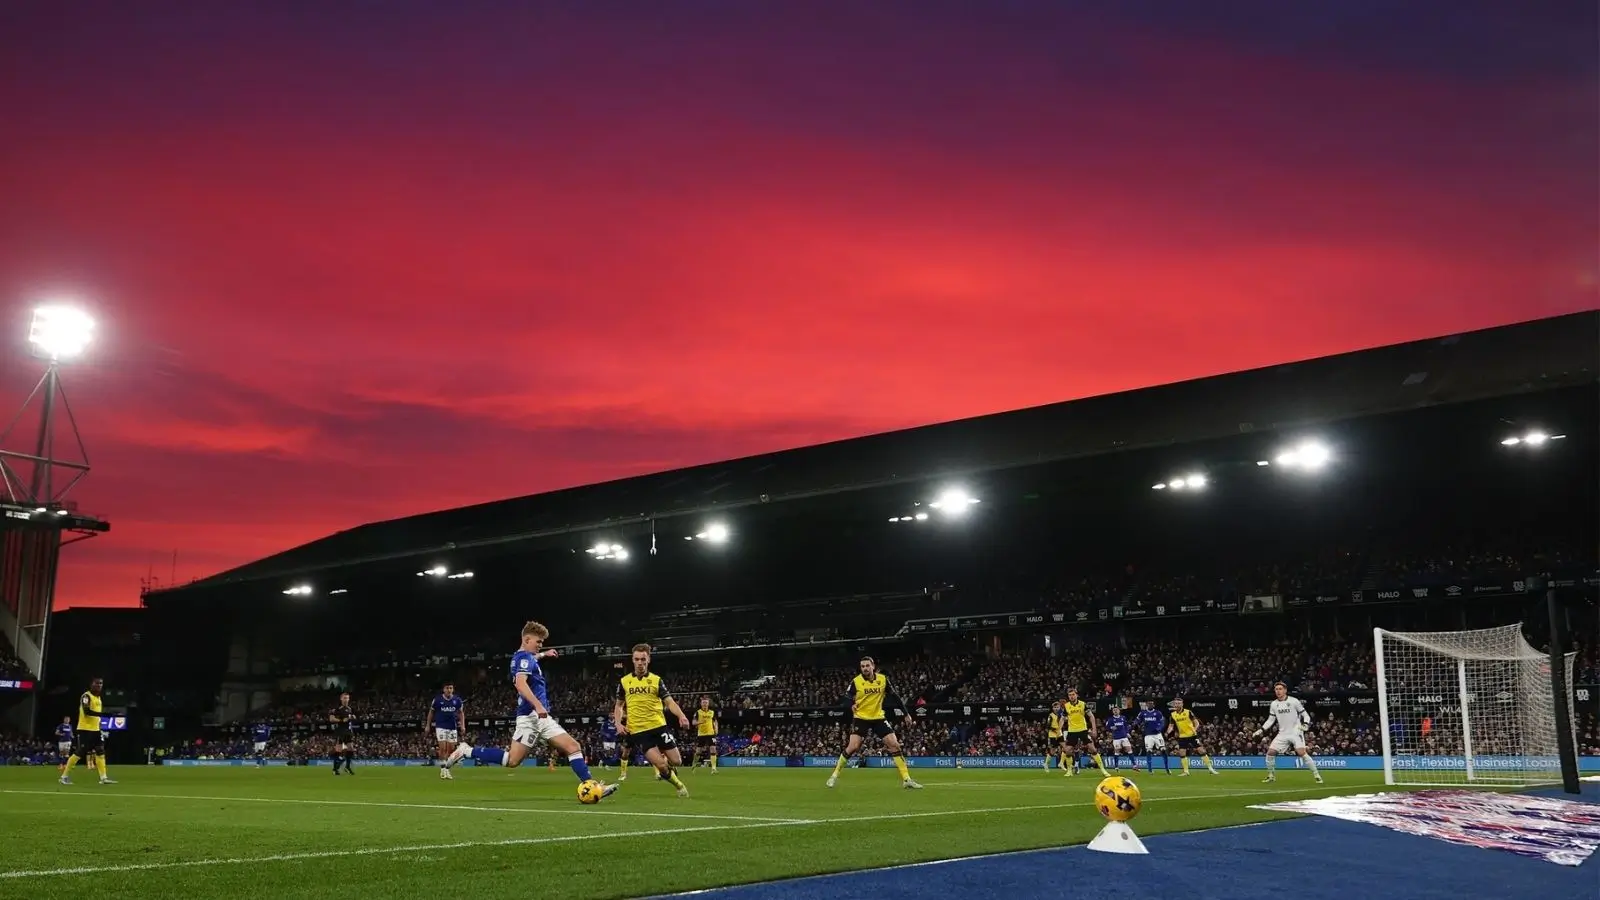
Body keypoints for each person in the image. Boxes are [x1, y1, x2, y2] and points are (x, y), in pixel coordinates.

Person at [447, 622, 617, 799]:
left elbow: (531, 661)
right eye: (539, 642)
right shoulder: (525, 659)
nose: (540, 645)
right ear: (527, 639)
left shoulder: (521, 657)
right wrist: (538, 705)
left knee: (572, 747)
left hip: (536, 717)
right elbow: (520, 683)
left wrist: (544, 654)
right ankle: (466, 751)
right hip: (531, 716)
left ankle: (592, 786)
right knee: (513, 760)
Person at [827, 656, 922, 790]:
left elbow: (895, 697)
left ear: (873, 666)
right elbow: (846, 698)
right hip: (861, 718)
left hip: (878, 718)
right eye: (862, 666)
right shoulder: (856, 681)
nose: (865, 668)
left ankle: (907, 779)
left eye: (867, 666)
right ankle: (834, 775)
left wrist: (906, 714)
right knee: (853, 746)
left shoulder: (882, 680)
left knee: (895, 745)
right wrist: (851, 705)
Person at [612, 643, 692, 797]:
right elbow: (618, 705)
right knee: (661, 765)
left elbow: (669, 702)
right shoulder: (624, 681)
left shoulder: (656, 680)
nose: (640, 663)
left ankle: (671, 770)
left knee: (677, 761)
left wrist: (681, 715)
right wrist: (618, 723)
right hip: (639, 731)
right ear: (632, 660)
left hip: (659, 726)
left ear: (648, 660)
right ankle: (679, 786)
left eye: (643, 659)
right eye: (637, 659)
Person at [1254, 682, 1323, 784]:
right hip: (1282, 733)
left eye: (1280, 689)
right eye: (1276, 689)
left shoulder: (1294, 701)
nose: (1278, 691)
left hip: (1295, 731)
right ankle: (1271, 776)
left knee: (1301, 753)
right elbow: (1270, 720)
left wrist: (1305, 724)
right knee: (1270, 753)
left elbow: (1306, 715)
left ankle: (1317, 775)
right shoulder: (1274, 704)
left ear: (1285, 690)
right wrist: (1261, 730)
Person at [59, 677, 115, 785]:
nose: (99, 685)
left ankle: (103, 778)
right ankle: (64, 777)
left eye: (101, 683)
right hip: (85, 729)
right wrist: (103, 715)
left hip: (96, 730)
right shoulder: (86, 696)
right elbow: (87, 711)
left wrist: (99, 722)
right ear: (91, 684)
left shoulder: (98, 698)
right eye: (97, 683)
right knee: (80, 752)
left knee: (100, 751)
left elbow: (96, 715)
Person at [1165, 698, 1218, 776]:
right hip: (1182, 736)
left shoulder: (1188, 712)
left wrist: (1195, 729)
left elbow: (1196, 723)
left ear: (1182, 704)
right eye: (1176, 703)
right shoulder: (1173, 715)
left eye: (1179, 703)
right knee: (1182, 753)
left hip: (1192, 735)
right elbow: (1171, 726)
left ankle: (1211, 769)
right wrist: (1167, 732)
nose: (1177, 705)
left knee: (1201, 751)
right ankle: (1186, 772)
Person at [425, 682, 465, 780]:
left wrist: (463, 725)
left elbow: (461, 713)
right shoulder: (438, 700)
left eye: (451, 688)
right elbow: (431, 712)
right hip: (441, 726)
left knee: (451, 749)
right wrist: (427, 725)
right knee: (442, 748)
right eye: (447, 688)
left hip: (452, 727)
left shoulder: (457, 700)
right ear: (443, 689)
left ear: (453, 689)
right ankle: (443, 770)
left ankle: (447, 767)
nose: (449, 690)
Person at [1061, 688, 1104, 776]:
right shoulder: (1066, 706)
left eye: (1073, 694)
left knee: (1092, 749)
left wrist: (1094, 729)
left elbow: (1091, 717)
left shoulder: (1083, 704)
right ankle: (1069, 771)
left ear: (1076, 695)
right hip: (1072, 731)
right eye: (1070, 695)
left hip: (1083, 730)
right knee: (1068, 750)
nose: (1072, 696)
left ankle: (1103, 770)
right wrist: (1059, 730)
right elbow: (1062, 718)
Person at [1137, 700, 1170, 774]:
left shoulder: (1158, 713)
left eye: (1151, 704)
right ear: (1146, 705)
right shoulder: (1143, 713)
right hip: (1148, 735)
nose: (1150, 705)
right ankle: (1150, 769)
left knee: (1163, 750)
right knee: (1148, 751)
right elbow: (1137, 720)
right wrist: (1135, 724)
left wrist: (1159, 728)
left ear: (1154, 705)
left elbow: (1162, 721)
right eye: (1148, 704)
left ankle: (1167, 768)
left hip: (1157, 734)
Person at [329, 692, 357, 774]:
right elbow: (331, 719)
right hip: (340, 731)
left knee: (351, 748)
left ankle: (347, 767)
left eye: (347, 698)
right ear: (341, 699)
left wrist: (353, 717)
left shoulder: (349, 709)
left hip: (348, 731)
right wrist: (341, 720)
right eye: (344, 698)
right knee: (338, 750)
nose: (346, 700)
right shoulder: (337, 709)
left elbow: (350, 717)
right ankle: (335, 769)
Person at [692, 697, 719, 773]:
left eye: (706, 703)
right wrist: (700, 722)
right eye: (703, 702)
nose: (704, 704)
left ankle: (714, 768)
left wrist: (716, 728)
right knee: (698, 751)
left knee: (713, 749)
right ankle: (694, 764)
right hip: (701, 734)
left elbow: (715, 721)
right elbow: (693, 723)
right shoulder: (698, 712)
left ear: (708, 704)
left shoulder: (712, 712)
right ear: (701, 704)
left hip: (711, 733)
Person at [1105, 705, 1135, 770]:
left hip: (1124, 736)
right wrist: (1111, 728)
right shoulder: (1110, 719)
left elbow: (1126, 726)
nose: (1115, 711)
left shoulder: (1123, 717)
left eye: (1117, 710)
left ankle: (1134, 765)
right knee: (1117, 751)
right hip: (1116, 737)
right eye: (1114, 710)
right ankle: (1116, 766)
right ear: (1112, 712)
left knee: (1129, 749)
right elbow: (1107, 727)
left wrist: (1127, 733)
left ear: (1119, 711)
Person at [1045, 701, 1067, 771]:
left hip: (1059, 733)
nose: (1056, 708)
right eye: (1055, 707)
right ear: (1053, 708)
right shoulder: (1050, 715)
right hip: (1053, 734)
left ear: (1059, 708)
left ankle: (1061, 763)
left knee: (1066, 748)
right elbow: (1048, 726)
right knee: (1053, 751)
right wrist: (1055, 730)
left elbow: (1063, 721)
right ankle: (1046, 763)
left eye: (1057, 707)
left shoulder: (1061, 714)